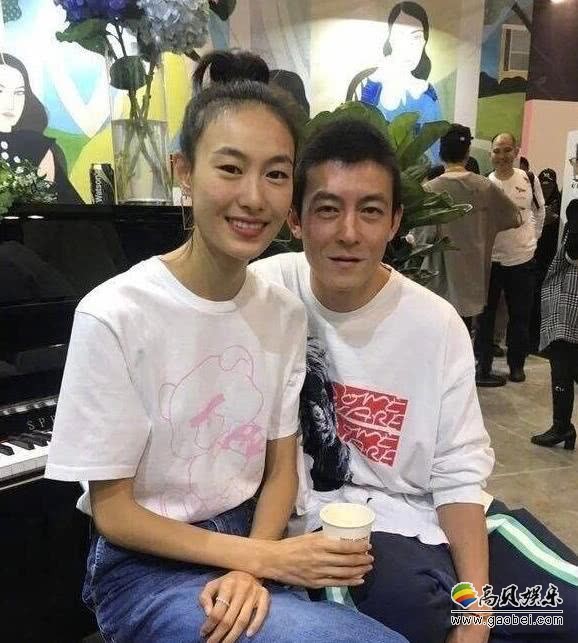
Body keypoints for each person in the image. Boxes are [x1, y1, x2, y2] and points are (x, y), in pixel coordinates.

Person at [44, 51, 407, 643]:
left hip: (255, 537)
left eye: (276, 174)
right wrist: (262, 561)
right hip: (147, 568)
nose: (255, 198)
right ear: (183, 171)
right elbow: (114, 512)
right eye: (231, 168)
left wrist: (251, 563)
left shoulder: (282, 312)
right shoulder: (114, 314)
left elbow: (281, 468)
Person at [250, 118, 578, 643]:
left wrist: (475, 611)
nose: (349, 232)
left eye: (370, 211)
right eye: (327, 209)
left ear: (395, 221)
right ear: (295, 218)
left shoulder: (434, 324)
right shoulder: (264, 295)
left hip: (440, 516)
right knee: (418, 611)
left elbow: (457, 474)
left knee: (561, 611)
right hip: (340, 525)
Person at [417, 123, 520, 332]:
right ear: (467, 153)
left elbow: (420, 238)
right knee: (462, 335)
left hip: (437, 281)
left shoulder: (429, 190)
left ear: (441, 153)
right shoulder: (485, 187)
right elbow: (514, 217)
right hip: (471, 279)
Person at [474, 132, 546, 386]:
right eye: (497, 151)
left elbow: (539, 211)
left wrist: (533, 240)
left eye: (507, 150)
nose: (502, 156)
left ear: (516, 152)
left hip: (522, 260)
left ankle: (517, 365)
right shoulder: (485, 183)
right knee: (486, 316)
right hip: (491, 261)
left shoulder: (528, 178)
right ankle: (483, 365)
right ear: (490, 154)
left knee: (520, 316)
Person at [354, 1, 442, 160]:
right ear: (390, 40)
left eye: (416, 37)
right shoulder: (371, 86)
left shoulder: (428, 93)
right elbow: (359, 139)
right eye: (400, 36)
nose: (408, 47)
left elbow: (437, 153)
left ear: (424, 41)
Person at [0, 52, 81, 203]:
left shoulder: (37, 146)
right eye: (0, 91)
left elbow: (70, 209)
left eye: (19, 93)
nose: (10, 103)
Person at [531, 199, 578, 449]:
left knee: (562, 360)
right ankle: (562, 426)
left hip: (571, 294)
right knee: (565, 361)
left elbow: (572, 253)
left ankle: (562, 426)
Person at [530, 168, 562, 351]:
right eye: (542, 185)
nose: (546, 189)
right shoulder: (534, 203)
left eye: (549, 185)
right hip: (533, 260)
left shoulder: (561, 204)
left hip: (551, 262)